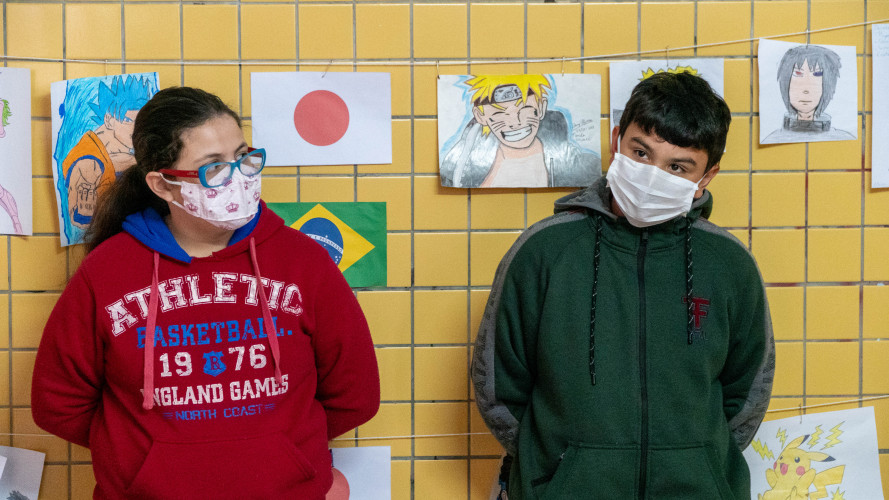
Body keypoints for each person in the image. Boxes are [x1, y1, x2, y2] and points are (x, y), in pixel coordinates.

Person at [32, 87, 380, 499]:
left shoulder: (303, 261)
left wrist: (279, 452)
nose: (239, 177)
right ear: (162, 186)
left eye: (244, 157)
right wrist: (144, 457)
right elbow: (58, 403)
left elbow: (355, 393)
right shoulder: (106, 271)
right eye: (213, 168)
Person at [472, 72, 775, 499]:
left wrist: (695, 458)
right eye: (641, 152)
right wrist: (558, 466)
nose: (653, 174)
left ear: (706, 177)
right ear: (616, 140)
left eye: (677, 167)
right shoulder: (544, 250)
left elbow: (747, 393)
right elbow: (499, 383)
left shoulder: (729, 264)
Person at [439, 74, 600, 188]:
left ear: (542, 107)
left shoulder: (578, 164)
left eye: (525, 110)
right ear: (480, 116)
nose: (515, 123)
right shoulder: (459, 165)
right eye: (499, 114)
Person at [54, 74, 156, 242]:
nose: (135, 128)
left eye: (139, 121)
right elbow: (80, 220)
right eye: (128, 121)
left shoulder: (127, 150)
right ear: (109, 120)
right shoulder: (89, 163)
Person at [762, 44, 855, 144]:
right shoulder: (773, 139)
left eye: (817, 74)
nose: (806, 90)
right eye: (798, 74)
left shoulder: (842, 139)